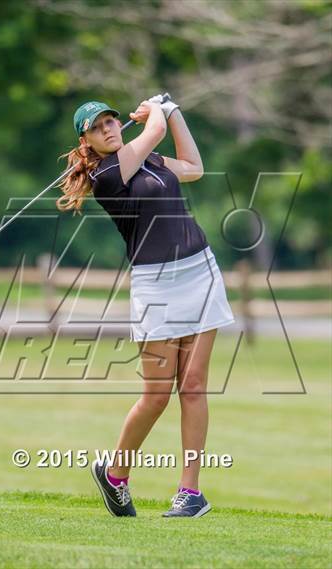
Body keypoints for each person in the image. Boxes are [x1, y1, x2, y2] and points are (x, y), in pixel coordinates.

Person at [57, 97, 235, 518]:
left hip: (200, 272)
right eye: (98, 127)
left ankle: (190, 493)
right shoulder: (107, 175)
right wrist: (157, 108)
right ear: (86, 139)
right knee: (156, 396)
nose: (109, 128)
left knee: (192, 388)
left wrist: (174, 113)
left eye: (111, 120)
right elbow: (150, 131)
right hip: (156, 286)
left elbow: (193, 168)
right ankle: (115, 473)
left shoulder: (147, 158)